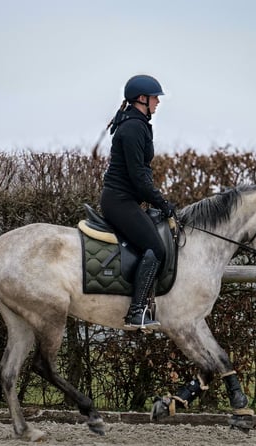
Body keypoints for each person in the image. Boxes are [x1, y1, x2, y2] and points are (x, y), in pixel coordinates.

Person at [100, 74, 176, 330]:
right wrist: (162, 203)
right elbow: (138, 177)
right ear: (142, 99)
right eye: (155, 97)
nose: (158, 102)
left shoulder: (138, 123)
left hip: (125, 200)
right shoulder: (133, 127)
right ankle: (136, 312)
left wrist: (157, 200)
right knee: (155, 249)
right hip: (119, 201)